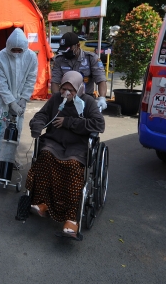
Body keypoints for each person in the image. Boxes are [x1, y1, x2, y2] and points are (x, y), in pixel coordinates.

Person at [27, 71, 105, 237]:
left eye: (71, 90)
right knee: (45, 157)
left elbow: (99, 125)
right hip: (55, 142)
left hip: (77, 146)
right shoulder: (56, 99)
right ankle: (43, 203)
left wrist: (69, 122)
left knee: (71, 166)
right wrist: (37, 124)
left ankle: (71, 219)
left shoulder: (88, 102)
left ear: (79, 89)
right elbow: (42, 114)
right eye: (64, 89)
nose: (66, 93)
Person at [0, 28, 38, 178]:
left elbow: (30, 79)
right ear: (8, 46)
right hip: (0, 101)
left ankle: (9, 159)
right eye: (13, 50)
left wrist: (23, 99)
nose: (16, 53)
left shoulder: (31, 57)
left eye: (19, 50)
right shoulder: (1, 58)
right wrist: (11, 102)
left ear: (24, 47)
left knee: (16, 129)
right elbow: (0, 84)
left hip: (20, 99)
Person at [51, 32, 108, 111]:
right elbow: (55, 82)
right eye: (64, 50)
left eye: (69, 49)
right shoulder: (59, 60)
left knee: (89, 122)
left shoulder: (91, 58)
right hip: (66, 99)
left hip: (86, 99)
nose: (66, 53)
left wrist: (102, 98)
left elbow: (101, 79)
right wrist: (57, 100)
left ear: (78, 46)